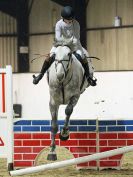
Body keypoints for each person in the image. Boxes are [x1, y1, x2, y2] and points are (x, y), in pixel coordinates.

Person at [33, 6, 97, 86]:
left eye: (71, 20)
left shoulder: (76, 24)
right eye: (68, 20)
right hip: (59, 45)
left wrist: (70, 43)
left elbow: (76, 38)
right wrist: (66, 42)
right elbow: (58, 38)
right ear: (63, 18)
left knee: (82, 56)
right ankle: (40, 75)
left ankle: (88, 77)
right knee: (50, 55)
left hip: (74, 45)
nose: (70, 21)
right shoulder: (59, 24)